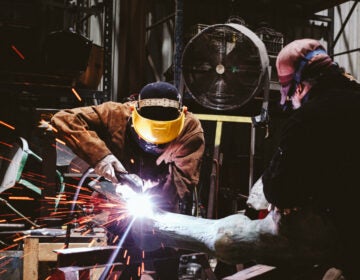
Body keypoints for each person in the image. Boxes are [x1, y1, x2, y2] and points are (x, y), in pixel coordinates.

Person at [126, 39, 359, 280]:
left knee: (226, 239)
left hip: (331, 239)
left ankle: (152, 225)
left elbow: (279, 190)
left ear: (298, 87)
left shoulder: (307, 120)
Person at [51, 81, 205, 280]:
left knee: (166, 262)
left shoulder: (189, 128)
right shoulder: (114, 114)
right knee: (123, 257)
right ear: (134, 111)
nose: (153, 144)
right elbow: (63, 119)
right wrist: (104, 159)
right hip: (119, 203)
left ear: (182, 115)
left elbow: (182, 180)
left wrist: (155, 196)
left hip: (162, 208)